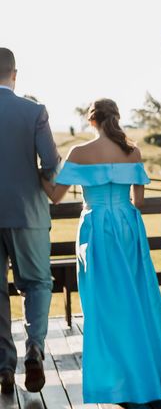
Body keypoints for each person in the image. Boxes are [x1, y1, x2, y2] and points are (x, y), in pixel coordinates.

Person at [41, 99, 161, 403]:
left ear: (92, 121)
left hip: (97, 228)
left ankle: (118, 379)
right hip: (128, 225)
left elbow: (55, 196)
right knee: (138, 295)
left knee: (105, 302)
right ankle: (150, 373)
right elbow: (140, 201)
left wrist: (38, 172)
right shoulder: (134, 151)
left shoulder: (79, 152)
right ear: (116, 119)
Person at [0, 48, 59, 394]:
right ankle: (34, 347)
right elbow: (52, 163)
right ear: (15, 74)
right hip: (27, 213)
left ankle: (3, 367)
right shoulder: (34, 111)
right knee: (36, 283)